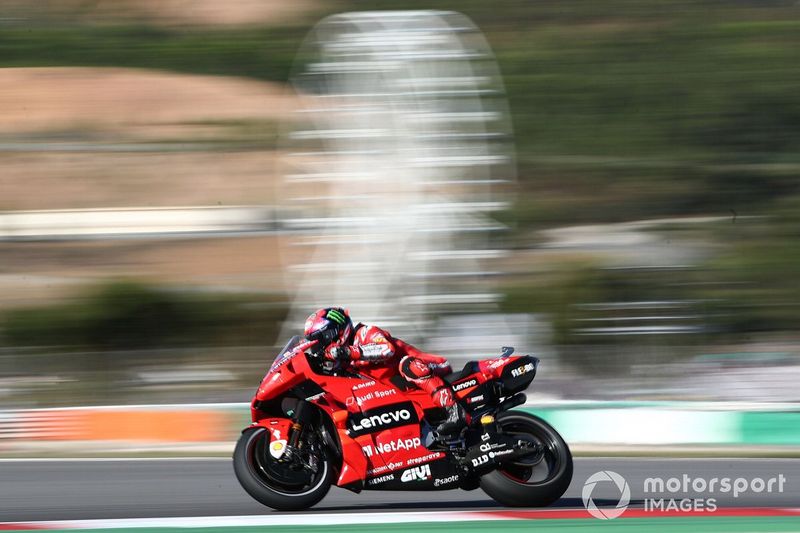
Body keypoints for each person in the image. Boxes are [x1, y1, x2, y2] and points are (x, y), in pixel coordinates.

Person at [303, 307, 466, 435]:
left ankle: (454, 410)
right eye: (315, 345)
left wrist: (347, 352)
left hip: (430, 366)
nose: (321, 348)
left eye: (322, 340)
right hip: (405, 393)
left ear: (336, 331)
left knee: (407, 365)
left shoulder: (365, 332)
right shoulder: (344, 364)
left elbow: (387, 349)